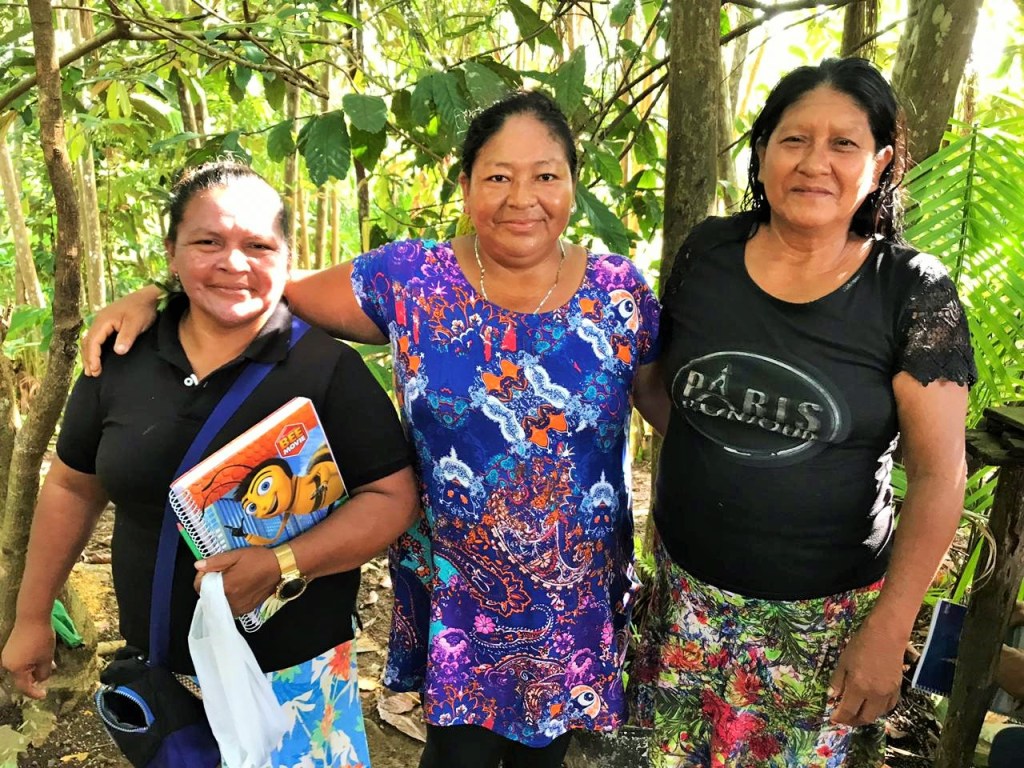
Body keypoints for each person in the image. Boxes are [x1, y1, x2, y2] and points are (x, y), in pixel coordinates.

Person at [76, 91, 663, 768]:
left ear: (573, 183)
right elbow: (259, 281)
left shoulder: (620, 291)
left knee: (545, 761)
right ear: (466, 182)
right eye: (498, 176)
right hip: (455, 591)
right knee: (454, 758)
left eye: (546, 175)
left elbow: (662, 404)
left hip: (574, 591)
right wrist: (153, 293)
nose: (521, 197)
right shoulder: (412, 278)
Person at [1, 161, 420, 767]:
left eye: (257, 245)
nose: (234, 263)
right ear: (171, 252)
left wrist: (282, 563)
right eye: (207, 242)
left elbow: (393, 499)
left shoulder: (327, 370)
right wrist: (32, 615)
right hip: (163, 673)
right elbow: (71, 484)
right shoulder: (120, 357)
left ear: (285, 255)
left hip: (294, 677)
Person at [630, 58, 976, 767]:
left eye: (842, 144)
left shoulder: (913, 295)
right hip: (682, 604)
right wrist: (736, 460)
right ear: (761, 154)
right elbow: (659, 386)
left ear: (879, 165)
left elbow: (940, 478)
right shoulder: (710, 252)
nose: (815, 162)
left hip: (820, 631)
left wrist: (890, 629)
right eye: (793, 140)